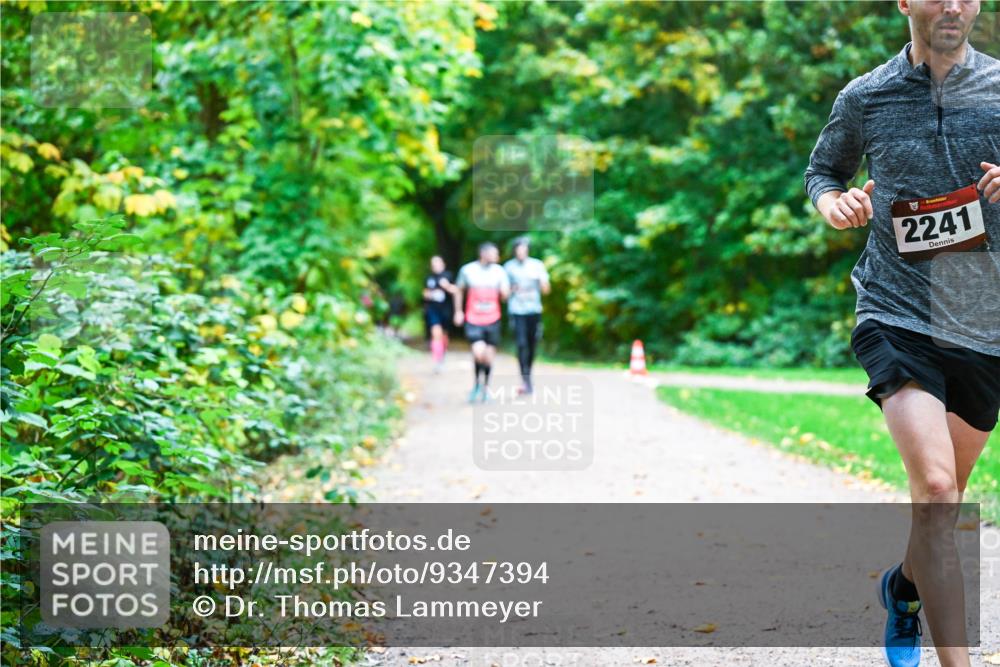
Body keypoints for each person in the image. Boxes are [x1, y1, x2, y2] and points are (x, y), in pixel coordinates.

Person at [804, 2, 999, 665]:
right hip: (895, 310)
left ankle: (903, 587)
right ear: (905, 2)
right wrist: (837, 204)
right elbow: (823, 172)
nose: (952, 5)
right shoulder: (867, 95)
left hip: (981, 321)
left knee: (936, 508)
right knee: (940, 492)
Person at [453, 242, 510, 403]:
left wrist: (506, 293)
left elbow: (505, 294)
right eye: (494, 253)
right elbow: (459, 290)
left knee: (489, 357)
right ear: (483, 253)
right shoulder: (468, 270)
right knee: (479, 353)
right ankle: (477, 383)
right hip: (473, 318)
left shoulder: (500, 271)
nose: (497, 256)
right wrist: (458, 311)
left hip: (493, 318)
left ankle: (486, 388)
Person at [503, 237, 550, 395]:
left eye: (524, 249)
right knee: (521, 344)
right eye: (518, 249)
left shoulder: (537, 265)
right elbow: (503, 295)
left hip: (534, 310)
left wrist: (541, 282)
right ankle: (525, 378)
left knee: (532, 345)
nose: (521, 252)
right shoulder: (508, 267)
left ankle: (528, 373)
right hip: (517, 311)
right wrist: (512, 289)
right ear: (515, 250)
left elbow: (546, 290)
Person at [422, 255, 456, 372]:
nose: (436, 266)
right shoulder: (429, 278)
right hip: (433, 310)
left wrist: (446, 286)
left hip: (446, 310)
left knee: (444, 336)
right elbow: (425, 293)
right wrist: (429, 295)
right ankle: (437, 361)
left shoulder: (448, 276)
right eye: (433, 264)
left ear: (443, 264)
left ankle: (442, 355)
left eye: (438, 263)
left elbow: (456, 291)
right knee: (436, 333)